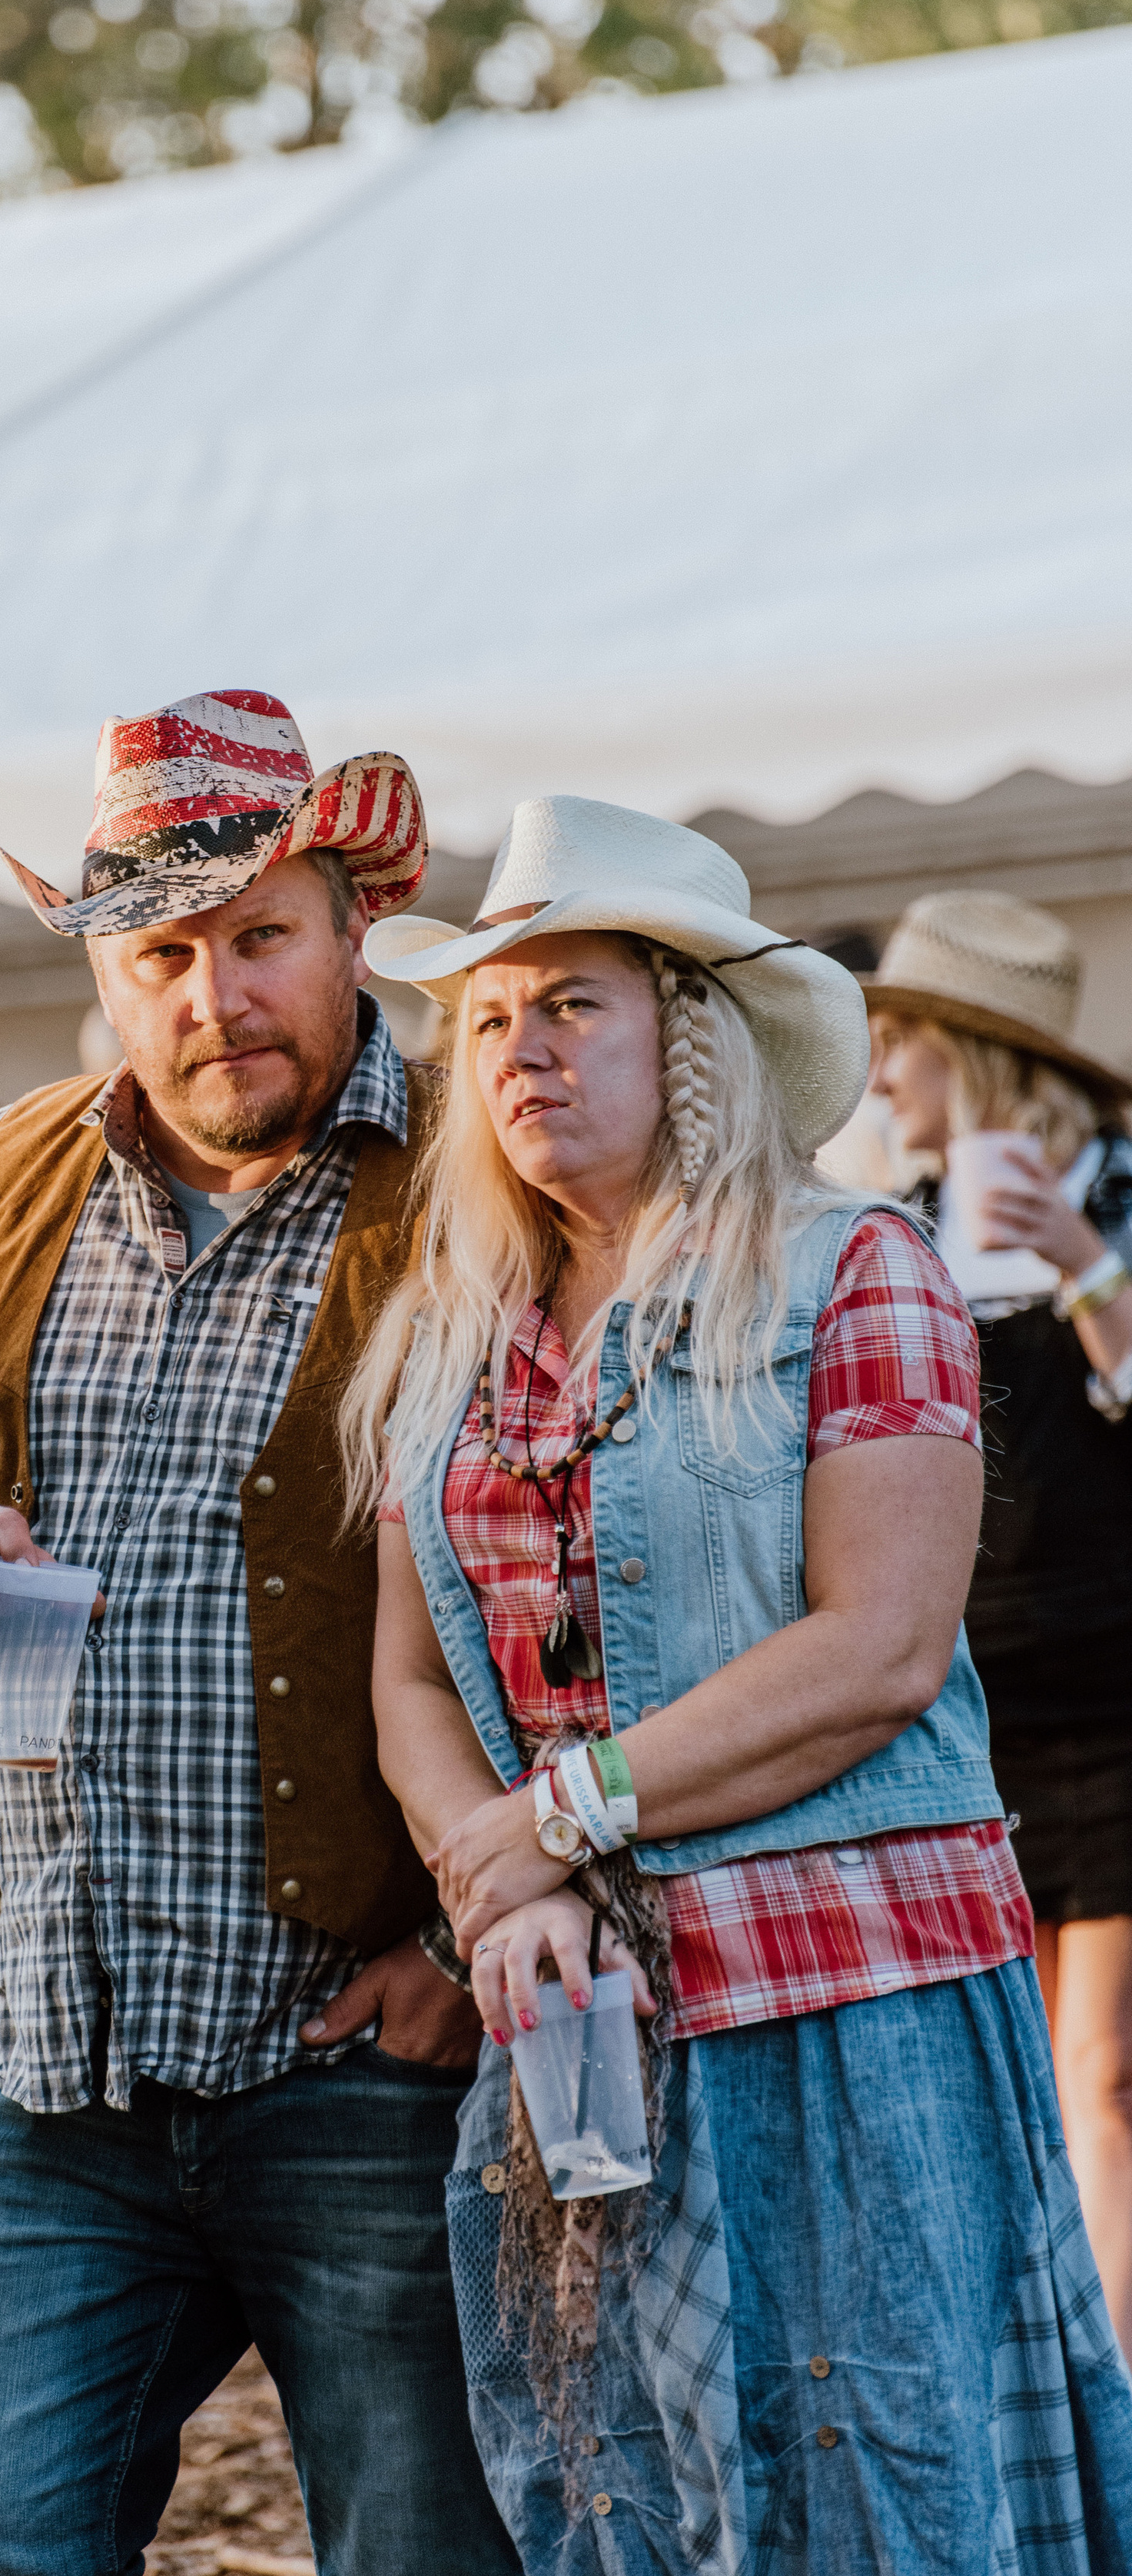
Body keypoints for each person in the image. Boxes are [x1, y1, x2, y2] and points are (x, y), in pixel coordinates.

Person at [350, 795, 1132, 2571]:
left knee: (870, 2497)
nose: (519, 1047)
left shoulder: (855, 1263)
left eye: (572, 1004)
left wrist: (552, 1812)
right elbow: (403, 1667)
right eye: (486, 1015)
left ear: (689, 1032)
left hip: (842, 1988)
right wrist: (502, 1879)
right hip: (581, 2010)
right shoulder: (452, 1319)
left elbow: (877, 1649)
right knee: (611, 2494)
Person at [0, 687, 516, 2576]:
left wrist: (459, 1935)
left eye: (257, 936)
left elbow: (584, 1565)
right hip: (54, 2044)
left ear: (350, 925)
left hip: (354, 2044)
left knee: (424, 2549)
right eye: (163, 954)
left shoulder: (475, 1170)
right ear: (107, 978)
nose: (215, 994)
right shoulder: (0, 1167)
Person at [865, 889, 1132, 2354]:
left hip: (1116, 1697)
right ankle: (1044, 2366)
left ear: (967, 1055)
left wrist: (1089, 1266)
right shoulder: (893, 1234)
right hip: (964, 1703)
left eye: (899, 1044)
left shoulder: (1127, 1192)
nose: (881, 1078)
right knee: (1016, 2069)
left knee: (1100, 2069)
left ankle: (1117, 2407)